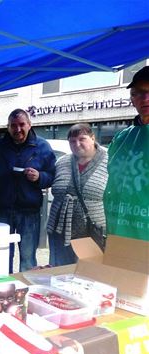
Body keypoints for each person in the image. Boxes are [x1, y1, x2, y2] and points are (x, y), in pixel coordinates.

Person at [0, 109, 56, 272]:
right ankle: (3, 290)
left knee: (28, 258)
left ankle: (27, 291)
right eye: (13, 126)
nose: (18, 129)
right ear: (8, 127)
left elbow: (52, 175)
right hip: (2, 210)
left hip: (29, 211)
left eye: (22, 125)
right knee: (1, 256)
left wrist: (39, 177)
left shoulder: (42, 146)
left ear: (29, 125)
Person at [47, 123, 108, 266]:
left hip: (92, 232)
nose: (77, 144)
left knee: (89, 276)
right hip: (59, 230)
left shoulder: (109, 162)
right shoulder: (62, 162)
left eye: (82, 139)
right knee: (59, 274)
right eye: (72, 141)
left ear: (93, 138)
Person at [104, 65, 149, 240]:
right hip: (117, 234)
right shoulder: (121, 138)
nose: (145, 98)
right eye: (138, 92)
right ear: (132, 98)